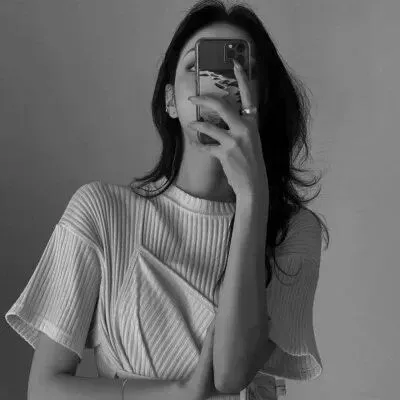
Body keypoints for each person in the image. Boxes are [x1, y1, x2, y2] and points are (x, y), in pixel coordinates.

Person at [4, 1, 330, 400]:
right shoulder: (102, 212)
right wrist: (177, 392)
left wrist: (252, 197)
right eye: (199, 66)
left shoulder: (294, 231)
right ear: (171, 101)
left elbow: (231, 374)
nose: (219, 83)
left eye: (241, 70)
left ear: (260, 102)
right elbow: (44, 389)